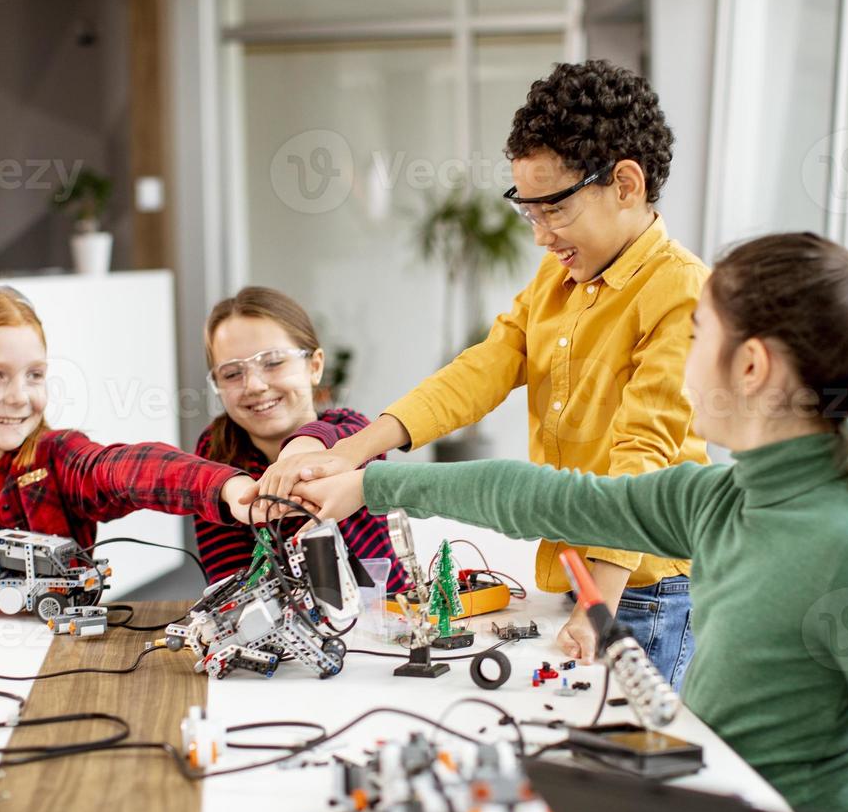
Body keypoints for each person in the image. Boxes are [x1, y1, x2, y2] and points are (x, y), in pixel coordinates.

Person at [293, 233, 848, 812]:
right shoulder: (723, 502)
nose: (683, 367)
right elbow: (548, 497)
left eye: (695, 336)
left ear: (750, 367)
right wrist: (373, 483)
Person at [258, 60, 709, 685]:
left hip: (643, 588)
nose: (540, 236)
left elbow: (644, 459)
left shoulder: (682, 290)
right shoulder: (560, 278)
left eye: (554, 209)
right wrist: (354, 454)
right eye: (530, 212)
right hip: (578, 573)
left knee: (632, 752)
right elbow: (483, 369)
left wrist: (597, 602)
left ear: (626, 184)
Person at [0, 283, 257, 597]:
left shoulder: (52, 461)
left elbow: (127, 469)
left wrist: (226, 486)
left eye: (34, 374)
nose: (20, 396)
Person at [194, 286, 400, 591]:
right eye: (232, 373)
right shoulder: (216, 450)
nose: (254, 385)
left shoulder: (353, 430)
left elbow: (338, 441)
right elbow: (230, 580)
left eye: (273, 362)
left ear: (314, 367)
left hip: (384, 613)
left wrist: (302, 450)